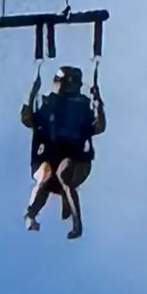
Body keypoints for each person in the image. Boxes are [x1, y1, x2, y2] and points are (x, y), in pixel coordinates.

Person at [21, 65, 106, 238]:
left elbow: (98, 127)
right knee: (45, 175)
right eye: (60, 82)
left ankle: (77, 224)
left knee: (64, 172)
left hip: (75, 156)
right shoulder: (49, 103)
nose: (63, 86)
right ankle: (31, 214)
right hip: (49, 155)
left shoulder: (82, 105)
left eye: (68, 82)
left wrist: (99, 106)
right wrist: (30, 95)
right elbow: (29, 120)